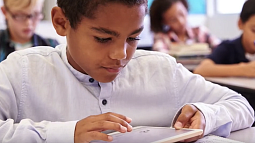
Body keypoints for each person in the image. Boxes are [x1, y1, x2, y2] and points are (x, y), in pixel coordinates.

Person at [0, 0, 254, 143]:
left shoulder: (160, 70)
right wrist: (68, 134)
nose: (121, 55)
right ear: (61, 23)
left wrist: (207, 115)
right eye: (102, 38)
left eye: (133, 38)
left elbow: (240, 105)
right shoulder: (21, 72)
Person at [194, 0, 255, 77]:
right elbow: (200, 70)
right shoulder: (228, 48)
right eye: (254, 30)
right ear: (240, 24)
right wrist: (244, 69)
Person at [150, 0, 221, 53]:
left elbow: (220, 48)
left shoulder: (200, 32)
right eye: (173, 20)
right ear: (163, 21)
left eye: (181, 14)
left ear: (185, 8)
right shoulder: (162, 37)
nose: (181, 21)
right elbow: (160, 57)